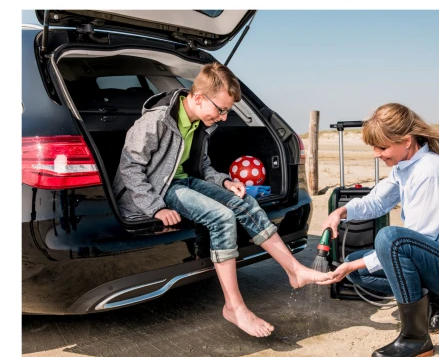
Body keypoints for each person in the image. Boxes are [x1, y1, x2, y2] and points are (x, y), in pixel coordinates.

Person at [112, 63, 331, 338]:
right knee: (222, 217)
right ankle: (234, 307)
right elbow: (129, 168)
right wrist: (155, 208)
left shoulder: (201, 124)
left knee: (245, 203)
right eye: (221, 110)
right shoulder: (155, 122)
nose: (224, 117)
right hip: (157, 189)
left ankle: (294, 269)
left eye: (227, 111)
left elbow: (202, 167)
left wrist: (225, 182)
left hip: (182, 182)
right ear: (199, 98)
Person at [318, 103, 439, 357]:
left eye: (382, 147)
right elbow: (377, 201)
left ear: (406, 141)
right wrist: (341, 212)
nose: (376, 154)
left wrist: (355, 264)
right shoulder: (404, 166)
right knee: (358, 268)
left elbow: (415, 236)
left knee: (389, 239)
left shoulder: (430, 171)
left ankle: (415, 339)